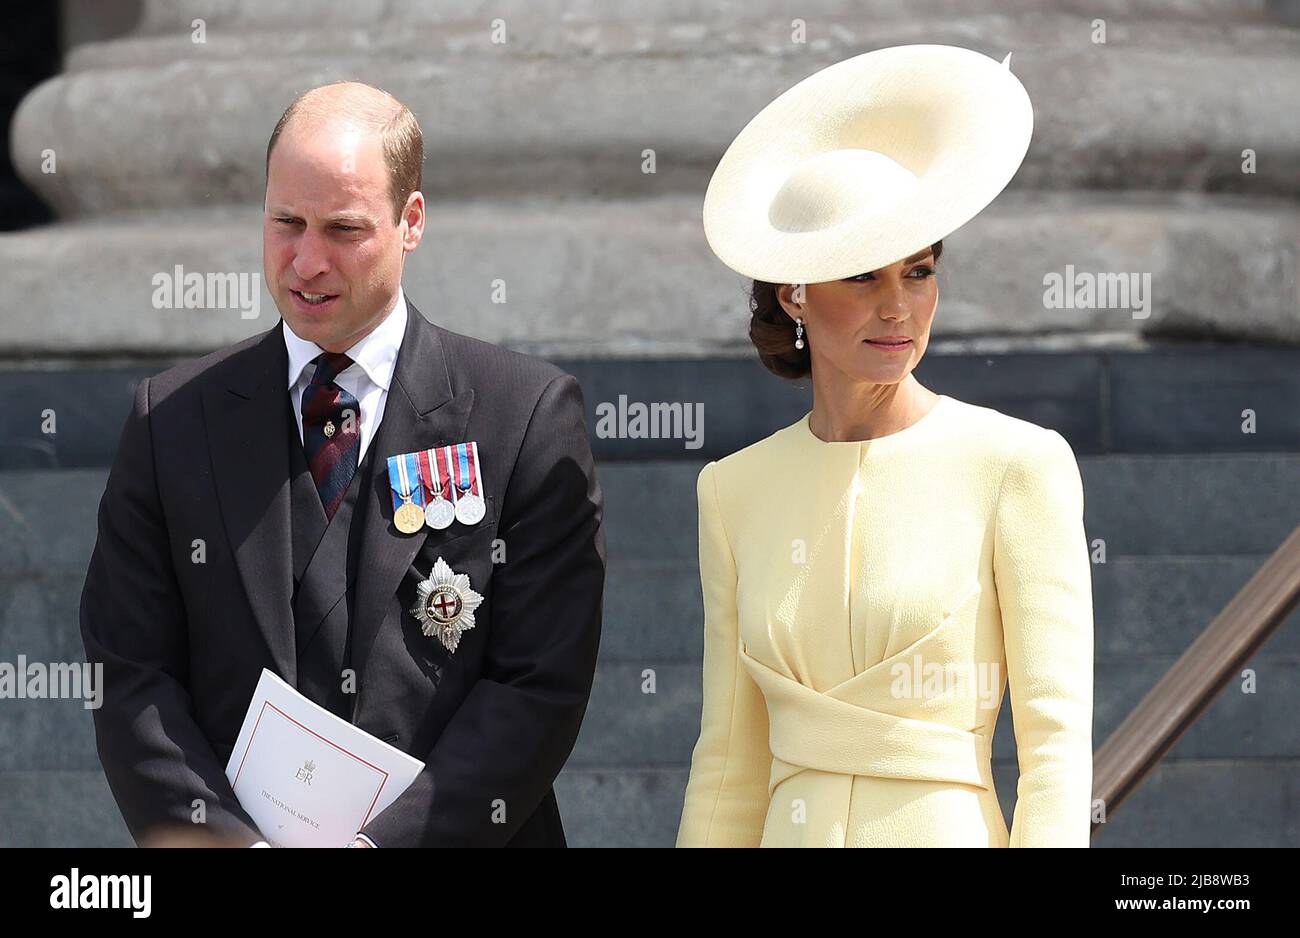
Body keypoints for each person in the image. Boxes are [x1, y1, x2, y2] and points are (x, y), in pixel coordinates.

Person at [80, 81, 605, 848]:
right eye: (286, 222)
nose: (307, 260)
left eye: (344, 229)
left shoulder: (522, 415)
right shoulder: (171, 420)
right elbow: (132, 673)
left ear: (411, 221)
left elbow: (536, 686)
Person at [675, 45, 1094, 847]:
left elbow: (1054, 749)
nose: (899, 307)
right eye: (863, 277)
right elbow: (729, 760)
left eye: (921, 271)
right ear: (795, 292)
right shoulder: (732, 490)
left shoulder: (1015, 466)